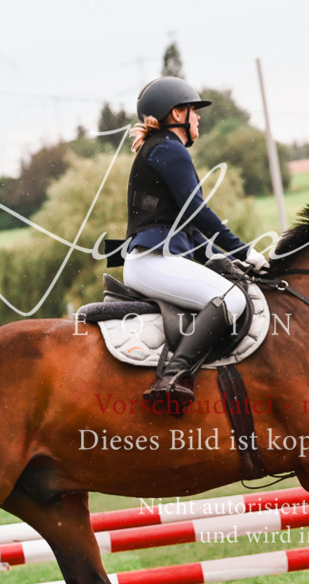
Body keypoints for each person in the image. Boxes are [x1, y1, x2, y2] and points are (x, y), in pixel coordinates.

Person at [124, 76, 268, 413]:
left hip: (154, 258)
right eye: (193, 111)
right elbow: (197, 212)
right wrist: (244, 250)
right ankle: (173, 377)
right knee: (232, 300)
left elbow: (189, 229)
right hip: (152, 261)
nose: (198, 117)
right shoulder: (167, 148)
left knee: (231, 287)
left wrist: (225, 260)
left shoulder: (161, 148)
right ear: (177, 114)